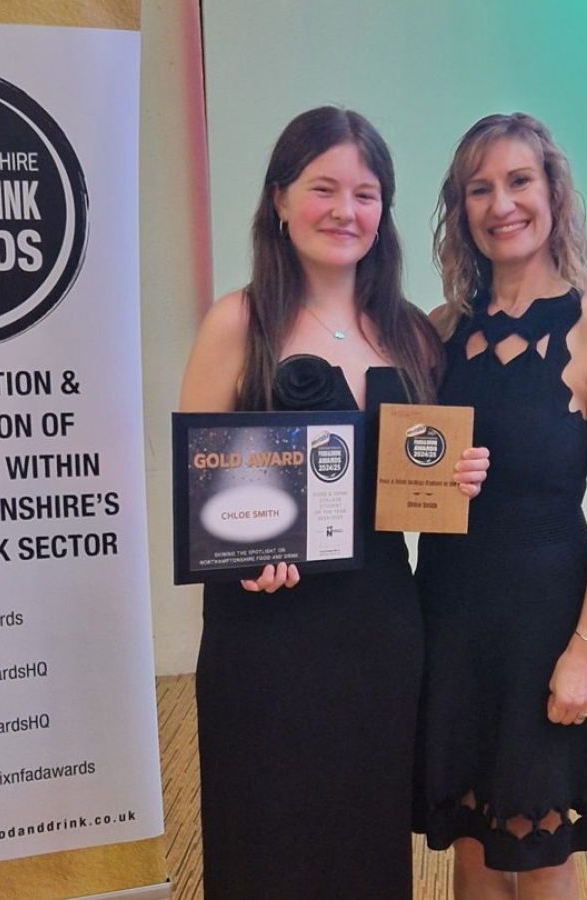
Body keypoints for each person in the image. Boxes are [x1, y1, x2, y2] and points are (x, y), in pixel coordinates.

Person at [180, 106, 482, 900]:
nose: (345, 211)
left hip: (379, 628)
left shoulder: (412, 334)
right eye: (323, 189)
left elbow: (416, 489)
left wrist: (460, 477)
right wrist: (243, 564)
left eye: (366, 193)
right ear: (279, 199)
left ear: (383, 212)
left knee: (364, 835)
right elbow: (198, 488)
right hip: (264, 634)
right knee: (266, 834)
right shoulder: (237, 323)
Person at [414, 112, 587, 900]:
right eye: (479, 188)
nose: (500, 203)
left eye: (518, 180)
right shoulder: (438, 332)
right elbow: (409, 483)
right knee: (472, 836)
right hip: (451, 614)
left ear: (552, 192)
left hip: (546, 622)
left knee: (540, 845)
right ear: (460, 208)